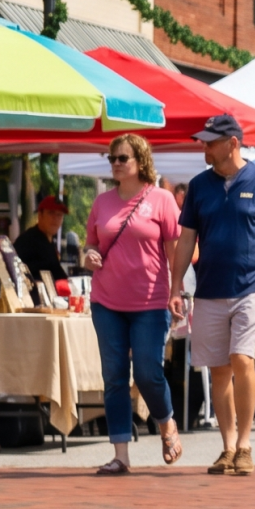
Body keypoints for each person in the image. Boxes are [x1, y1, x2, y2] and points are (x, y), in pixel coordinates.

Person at [167, 114, 255, 476]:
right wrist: (176, 286)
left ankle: (245, 444)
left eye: (210, 141)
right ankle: (226, 447)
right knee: (219, 369)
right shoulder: (198, 186)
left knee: (242, 359)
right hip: (209, 289)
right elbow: (186, 239)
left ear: (233, 144)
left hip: (251, 287)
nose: (204, 147)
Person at [83, 134, 185, 473]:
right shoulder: (102, 202)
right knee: (113, 377)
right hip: (106, 301)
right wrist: (89, 256)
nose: (115, 163)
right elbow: (90, 245)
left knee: (146, 372)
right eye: (112, 158)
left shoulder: (162, 200)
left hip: (150, 302)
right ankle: (121, 455)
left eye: (122, 158)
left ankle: (166, 422)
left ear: (140, 161)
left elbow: (175, 252)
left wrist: (177, 291)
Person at [12, 195, 70, 286]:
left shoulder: (48, 241)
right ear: (40, 215)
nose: (55, 218)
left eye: (59, 215)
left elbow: (57, 273)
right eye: (51, 213)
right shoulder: (29, 241)